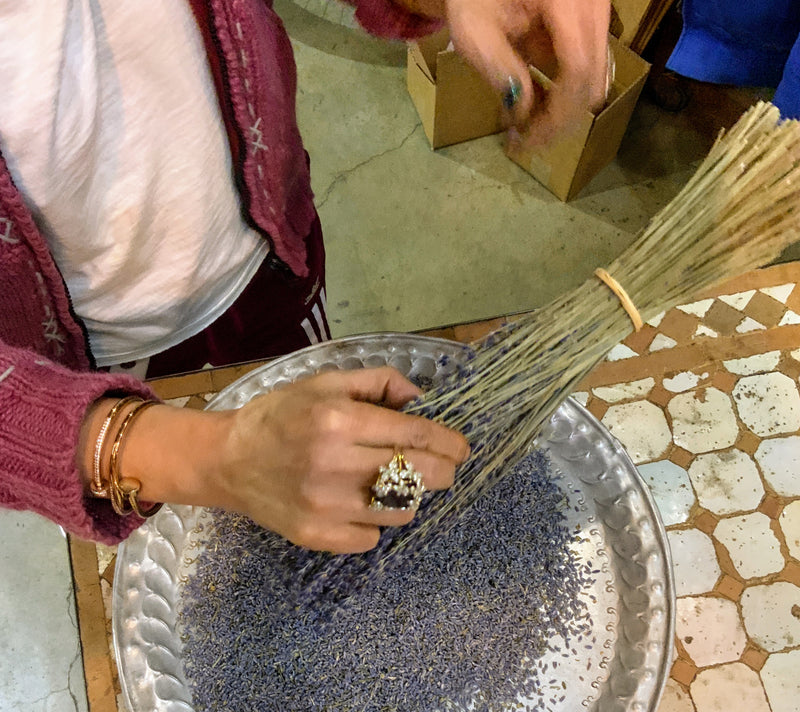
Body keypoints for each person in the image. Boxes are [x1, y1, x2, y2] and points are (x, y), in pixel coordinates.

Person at [0, 0, 611, 558]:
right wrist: (211, 458)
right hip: (71, 380)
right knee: (198, 556)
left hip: (267, 266)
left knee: (334, 491)